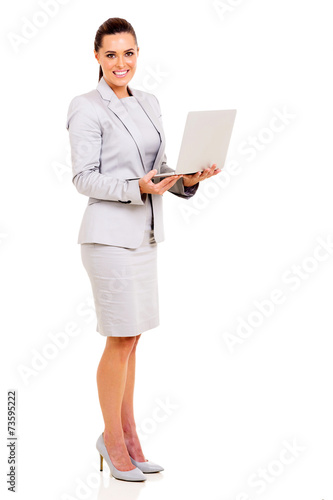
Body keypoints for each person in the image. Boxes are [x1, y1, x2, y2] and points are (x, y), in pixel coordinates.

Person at [66, 17, 221, 482]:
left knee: (133, 340)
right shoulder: (85, 107)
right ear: (97, 57)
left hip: (145, 236)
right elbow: (83, 177)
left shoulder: (150, 103)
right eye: (111, 54)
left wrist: (187, 178)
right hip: (108, 237)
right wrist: (138, 186)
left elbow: (158, 170)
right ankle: (112, 441)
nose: (121, 63)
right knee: (119, 339)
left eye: (128, 53)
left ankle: (130, 437)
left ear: (138, 54)